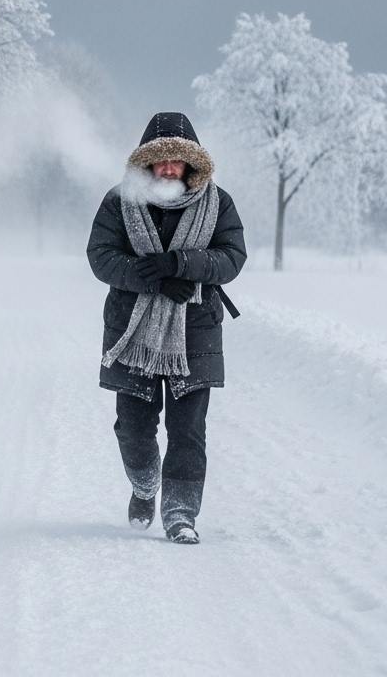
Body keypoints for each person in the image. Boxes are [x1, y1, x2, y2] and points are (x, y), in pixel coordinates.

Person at [87, 112, 246, 544]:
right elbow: (100, 256)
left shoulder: (219, 203)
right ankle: (144, 486)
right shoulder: (119, 202)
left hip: (195, 331)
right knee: (133, 427)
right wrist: (152, 275)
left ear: (192, 164)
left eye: (178, 160)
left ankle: (180, 514)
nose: (170, 167)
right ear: (147, 164)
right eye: (160, 160)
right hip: (133, 332)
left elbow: (233, 256)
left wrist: (183, 265)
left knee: (188, 431)